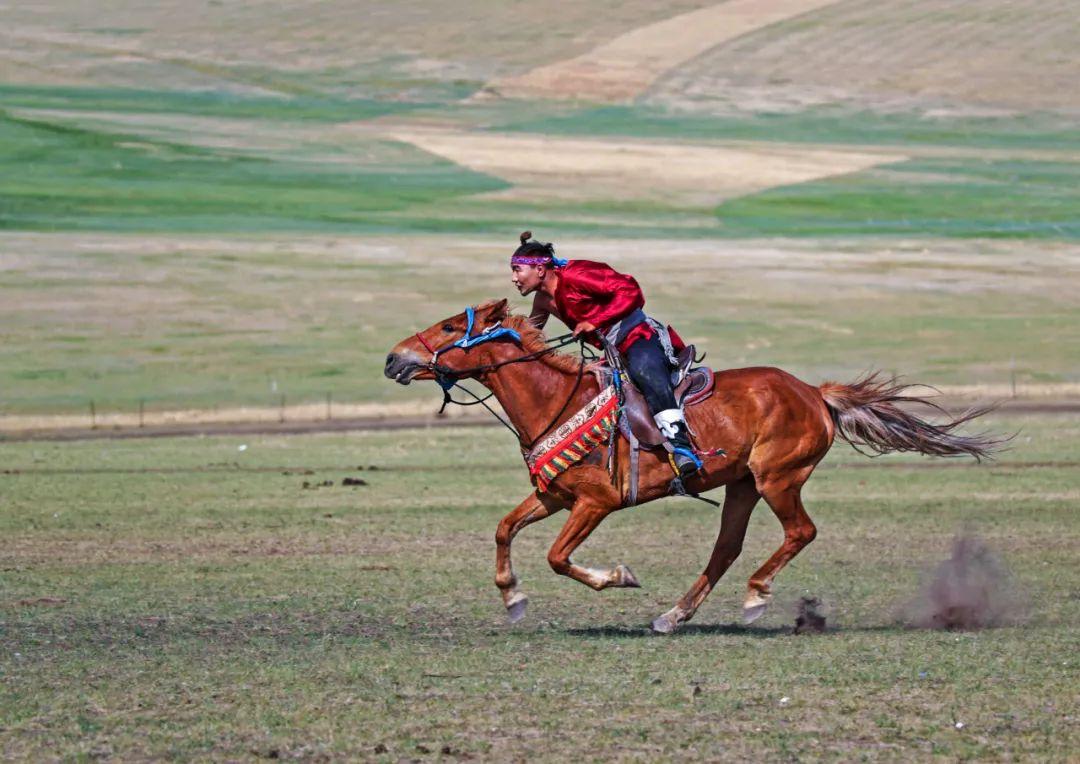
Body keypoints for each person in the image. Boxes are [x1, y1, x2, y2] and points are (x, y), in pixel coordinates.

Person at [509, 231, 700, 477]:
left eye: (517, 270)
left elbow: (631, 291)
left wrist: (594, 322)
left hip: (639, 337)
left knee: (645, 371)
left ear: (540, 269)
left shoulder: (577, 274)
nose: (514, 278)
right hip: (613, 354)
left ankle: (683, 448)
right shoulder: (543, 301)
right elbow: (528, 335)